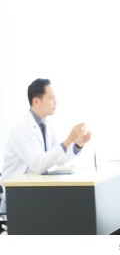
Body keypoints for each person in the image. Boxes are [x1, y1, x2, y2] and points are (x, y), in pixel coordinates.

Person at [0, 78, 91, 213]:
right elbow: (38, 165)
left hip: (33, 193)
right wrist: (69, 138)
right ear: (36, 101)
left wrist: (77, 144)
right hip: (16, 199)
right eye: (51, 98)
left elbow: (56, 158)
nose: (56, 102)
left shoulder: (46, 125)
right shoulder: (21, 128)